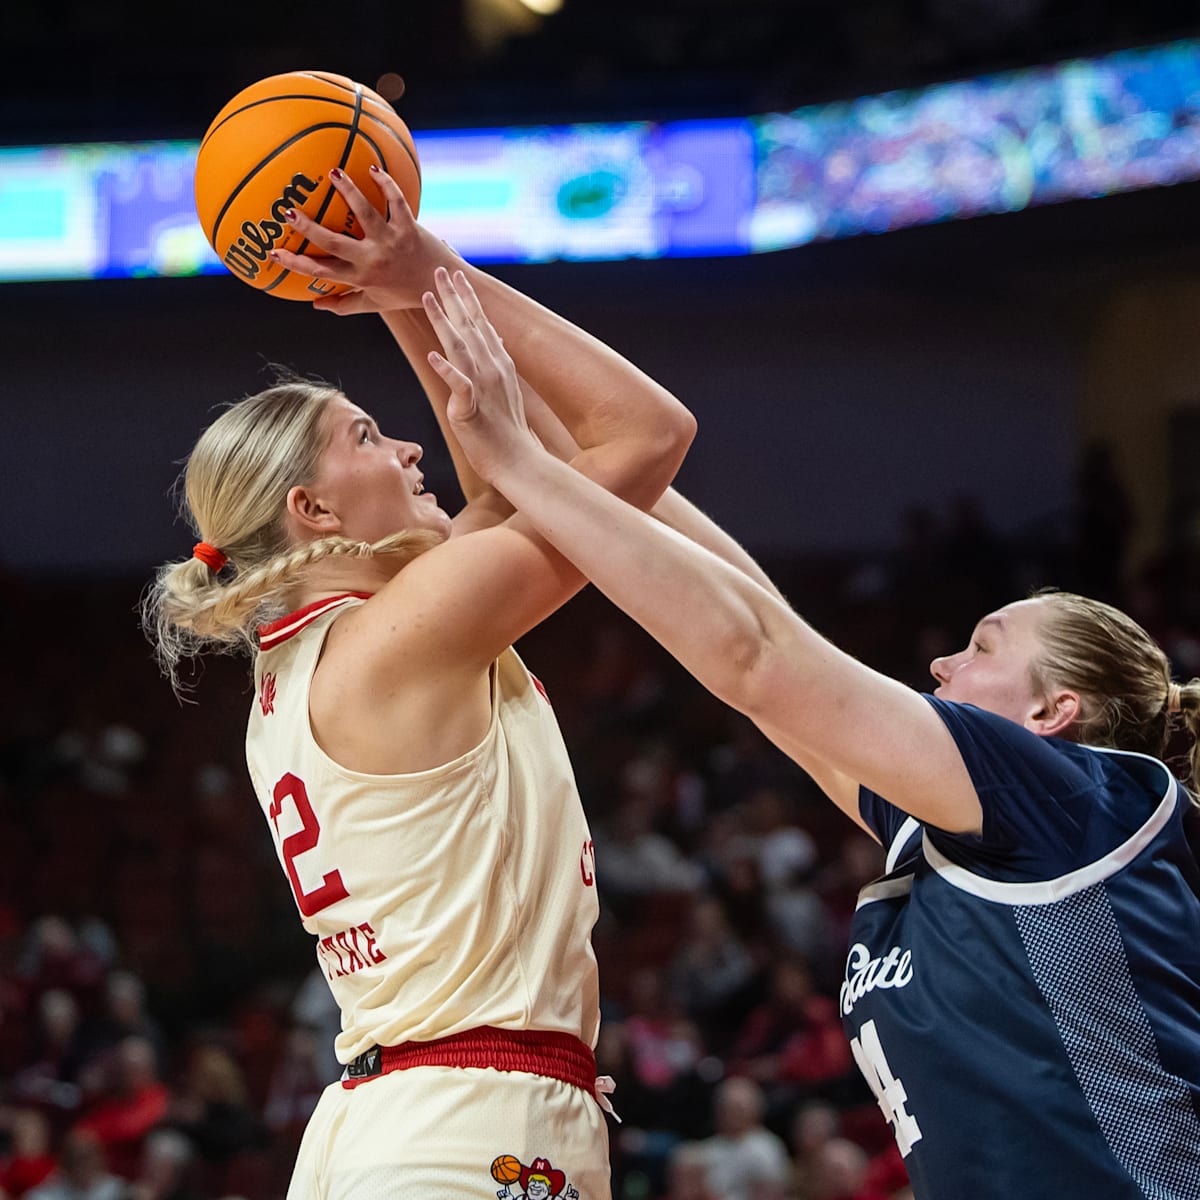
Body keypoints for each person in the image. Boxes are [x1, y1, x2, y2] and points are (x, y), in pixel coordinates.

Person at [419, 270, 1200, 1200]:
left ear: (1052, 714)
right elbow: (758, 631)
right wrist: (418, 285)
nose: (942, 663)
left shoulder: (1078, 796)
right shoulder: (967, 831)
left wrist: (518, 462)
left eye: (982, 647)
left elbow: (754, 653)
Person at [142, 164, 696, 1199]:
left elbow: (512, 485)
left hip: (409, 1119)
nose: (407, 445)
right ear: (314, 512)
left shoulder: (331, 653)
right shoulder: (405, 634)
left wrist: (395, 290)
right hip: (465, 1128)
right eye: (366, 434)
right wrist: (429, 269)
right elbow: (644, 436)